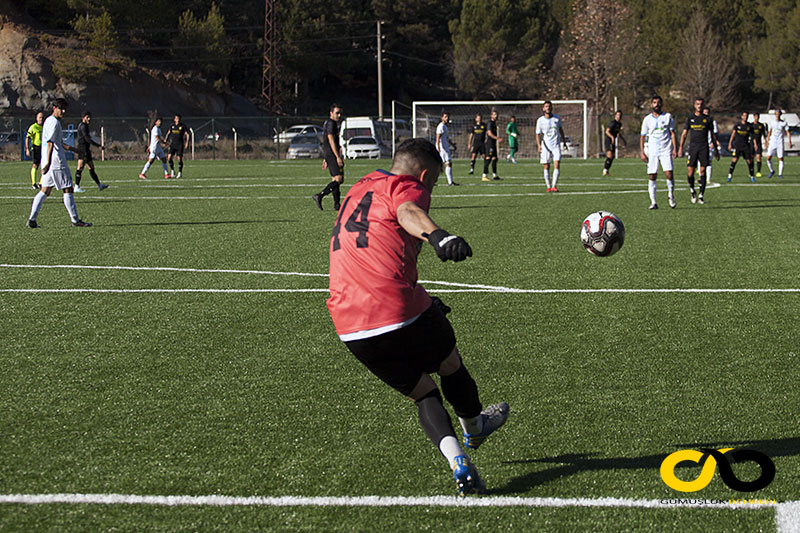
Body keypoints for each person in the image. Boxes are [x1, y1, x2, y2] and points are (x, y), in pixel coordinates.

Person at [326, 137, 509, 496]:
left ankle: (458, 461)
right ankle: (474, 427)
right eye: (434, 184)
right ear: (425, 175)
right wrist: (438, 236)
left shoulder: (360, 186)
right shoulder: (407, 186)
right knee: (449, 363)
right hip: (393, 305)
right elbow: (407, 210)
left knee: (423, 392)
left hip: (349, 324)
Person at [25, 98, 91, 228]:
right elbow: (50, 143)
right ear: (54, 108)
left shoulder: (49, 121)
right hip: (56, 162)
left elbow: (58, 143)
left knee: (45, 191)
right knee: (68, 189)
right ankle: (75, 220)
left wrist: (75, 150)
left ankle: (32, 220)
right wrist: (49, 163)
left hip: (49, 161)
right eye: (61, 108)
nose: (64, 111)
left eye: (65, 109)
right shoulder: (54, 123)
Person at [640, 95, 678, 209]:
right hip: (652, 150)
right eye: (654, 102)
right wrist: (642, 152)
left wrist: (675, 148)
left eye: (658, 102)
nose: (656, 104)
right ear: (651, 105)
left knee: (669, 174)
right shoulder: (647, 119)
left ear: (661, 104)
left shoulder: (667, 117)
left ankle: (671, 195)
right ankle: (653, 202)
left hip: (665, 149)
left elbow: (672, 133)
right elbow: (642, 136)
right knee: (652, 175)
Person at [678, 97, 718, 205]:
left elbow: (713, 135)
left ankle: (701, 195)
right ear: (694, 105)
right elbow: (684, 134)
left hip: (704, 147)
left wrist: (716, 149)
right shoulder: (690, 118)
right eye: (697, 104)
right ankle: (692, 190)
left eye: (701, 104)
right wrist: (680, 147)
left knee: (703, 171)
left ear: (703, 105)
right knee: (690, 172)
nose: (699, 106)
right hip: (693, 148)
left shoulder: (708, 119)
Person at [312, 104, 345, 210]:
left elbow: (327, 140)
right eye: (337, 113)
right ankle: (320, 195)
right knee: (339, 179)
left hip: (329, 154)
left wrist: (326, 158)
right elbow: (330, 140)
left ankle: (336, 204)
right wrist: (337, 156)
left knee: (335, 179)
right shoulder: (331, 124)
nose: (339, 115)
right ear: (331, 113)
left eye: (340, 113)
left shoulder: (330, 123)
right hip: (332, 154)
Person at [536, 101, 568, 192]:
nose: (548, 108)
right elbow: (538, 134)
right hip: (545, 146)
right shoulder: (540, 120)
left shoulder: (557, 118)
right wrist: (539, 145)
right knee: (546, 166)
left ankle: (554, 186)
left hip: (556, 145)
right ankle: (548, 186)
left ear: (552, 108)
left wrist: (564, 142)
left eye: (549, 106)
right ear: (543, 108)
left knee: (557, 164)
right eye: (546, 106)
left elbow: (560, 129)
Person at [74, 111, 109, 193]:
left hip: (86, 149)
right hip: (83, 150)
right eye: (87, 117)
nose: (89, 119)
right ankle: (76, 186)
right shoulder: (83, 126)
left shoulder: (84, 125)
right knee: (80, 167)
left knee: (91, 167)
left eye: (89, 117)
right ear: (83, 118)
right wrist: (98, 145)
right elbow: (87, 139)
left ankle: (99, 185)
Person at [726, 112, 756, 183]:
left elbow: (753, 136)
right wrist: (730, 144)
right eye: (744, 116)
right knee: (734, 160)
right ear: (741, 116)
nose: (745, 117)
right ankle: (730, 175)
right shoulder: (737, 125)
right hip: (737, 145)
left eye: (747, 116)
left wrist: (755, 144)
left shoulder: (749, 126)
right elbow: (733, 135)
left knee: (749, 161)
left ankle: (752, 176)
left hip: (746, 146)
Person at [766, 109, 793, 179]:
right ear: (775, 115)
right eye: (776, 114)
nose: (777, 115)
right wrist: (767, 141)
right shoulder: (772, 123)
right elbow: (769, 132)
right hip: (772, 142)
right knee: (768, 158)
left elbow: (788, 132)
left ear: (780, 115)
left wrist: (790, 141)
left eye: (778, 114)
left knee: (780, 158)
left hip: (780, 142)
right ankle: (772, 170)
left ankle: (780, 174)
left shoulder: (784, 123)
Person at [435, 111, 458, 186]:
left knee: (443, 164)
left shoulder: (445, 127)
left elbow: (447, 139)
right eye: (445, 117)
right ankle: (450, 182)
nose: (447, 118)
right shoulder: (440, 126)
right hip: (442, 148)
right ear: (442, 118)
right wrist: (438, 148)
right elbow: (437, 138)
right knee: (447, 164)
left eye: (447, 117)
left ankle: (450, 182)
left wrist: (452, 145)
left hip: (445, 147)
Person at [164, 114, 189, 178]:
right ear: (174, 119)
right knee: (169, 158)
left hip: (180, 144)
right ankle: (172, 170)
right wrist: (165, 139)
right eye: (176, 118)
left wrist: (187, 143)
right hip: (172, 144)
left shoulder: (183, 126)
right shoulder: (172, 126)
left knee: (179, 159)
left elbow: (187, 134)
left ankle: (180, 173)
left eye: (179, 119)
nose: (177, 120)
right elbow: (168, 133)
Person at [702, 106, 722, 184]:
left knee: (709, 161)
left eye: (707, 112)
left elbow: (715, 134)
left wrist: (714, 142)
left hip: (709, 144)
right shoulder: (699, 121)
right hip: (701, 144)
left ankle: (708, 179)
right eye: (705, 112)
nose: (706, 114)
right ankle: (702, 177)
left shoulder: (712, 122)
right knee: (701, 162)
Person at [603, 111, 626, 176]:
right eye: (618, 115)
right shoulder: (612, 123)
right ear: (615, 116)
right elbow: (607, 131)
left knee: (612, 156)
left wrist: (623, 140)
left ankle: (606, 170)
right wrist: (612, 137)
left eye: (620, 115)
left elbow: (618, 133)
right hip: (608, 140)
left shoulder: (619, 124)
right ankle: (605, 170)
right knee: (610, 155)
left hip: (612, 141)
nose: (619, 116)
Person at [482, 109, 502, 181]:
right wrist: (497, 138)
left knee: (494, 159)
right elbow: (489, 133)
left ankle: (494, 175)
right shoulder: (490, 123)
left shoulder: (494, 123)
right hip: (489, 143)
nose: (496, 116)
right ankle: (484, 175)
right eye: (494, 115)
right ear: (491, 115)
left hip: (493, 143)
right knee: (488, 158)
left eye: (496, 115)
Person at [25, 112, 44, 190]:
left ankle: (41, 183)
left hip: (44, 148)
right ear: (36, 118)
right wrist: (27, 148)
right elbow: (27, 137)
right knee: (35, 165)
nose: (41, 119)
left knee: (44, 165)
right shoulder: (33, 127)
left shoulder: (44, 127)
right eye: (40, 117)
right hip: (36, 148)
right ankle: (33, 183)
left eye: (42, 117)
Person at [750, 113, 768, 178]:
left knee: (758, 157)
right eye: (755, 116)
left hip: (759, 143)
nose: (756, 118)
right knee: (751, 158)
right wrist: (755, 144)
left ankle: (758, 172)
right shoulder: (751, 125)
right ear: (754, 117)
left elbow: (764, 134)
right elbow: (752, 135)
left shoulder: (761, 125)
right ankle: (751, 172)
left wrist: (766, 142)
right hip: (752, 143)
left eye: (758, 116)